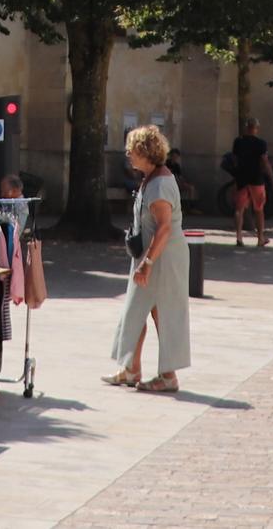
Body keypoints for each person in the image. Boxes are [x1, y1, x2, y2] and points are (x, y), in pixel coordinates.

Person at [104, 124, 188, 394]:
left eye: (132, 150)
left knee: (161, 311)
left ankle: (168, 375)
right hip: (151, 254)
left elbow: (164, 228)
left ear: (145, 152)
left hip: (162, 257)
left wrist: (148, 262)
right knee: (137, 308)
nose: (128, 154)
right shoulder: (152, 178)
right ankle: (131, 368)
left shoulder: (161, 182)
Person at [227, 116, 273, 247]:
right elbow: (264, 160)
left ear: (246, 127)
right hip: (256, 178)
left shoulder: (238, 142)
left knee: (239, 209)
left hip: (241, 178)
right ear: (256, 129)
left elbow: (234, 159)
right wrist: (271, 177)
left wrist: (236, 173)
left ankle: (239, 237)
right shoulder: (261, 143)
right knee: (259, 209)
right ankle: (260, 238)